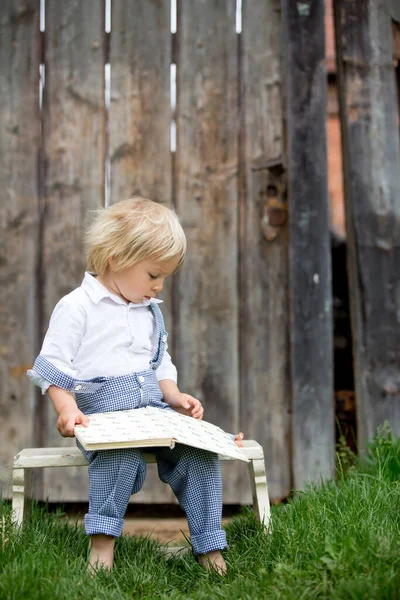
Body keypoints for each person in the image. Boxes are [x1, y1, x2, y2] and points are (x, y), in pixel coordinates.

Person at [27, 197, 244, 575]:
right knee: (119, 459)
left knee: (198, 456)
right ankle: (102, 545)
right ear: (115, 258)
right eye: (153, 275)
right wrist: (67, 409)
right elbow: (52, 367)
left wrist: (173, 395)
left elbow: (160, 360)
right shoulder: (78, 307)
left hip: (153, 413)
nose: (158, 287)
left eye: (164, 278)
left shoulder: (149, 311)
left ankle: (209, 546)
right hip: (103, 418)